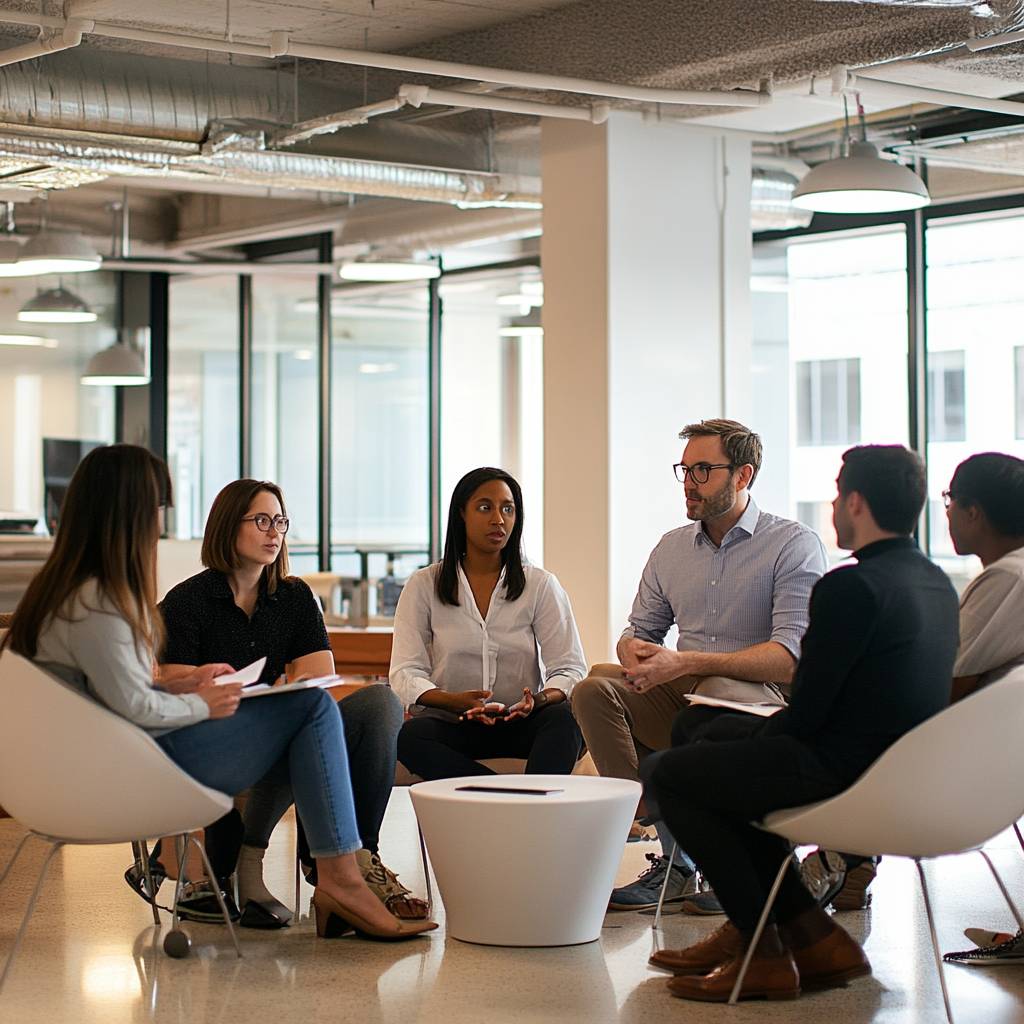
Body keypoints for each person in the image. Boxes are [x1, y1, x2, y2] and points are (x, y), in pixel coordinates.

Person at [3, 444, 436, 943]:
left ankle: (341, 869)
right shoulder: (107, 601)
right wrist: (200, 701)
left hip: (105, 762)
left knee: (334, 708)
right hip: (136, 766)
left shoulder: (70, 593)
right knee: (311, 709)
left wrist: (183, 682)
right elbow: (136, 708)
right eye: (153, 508)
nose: (157, 524)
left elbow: (114, 690)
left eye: (280, 522)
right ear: (125, 511)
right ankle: (339, 877)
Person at [645, 444, 958, 1002]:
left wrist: (749, 743)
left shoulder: (850, 587)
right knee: (704, 735)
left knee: (673, 773)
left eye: (838, 495)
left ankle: (763, 945)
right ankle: (812, 936)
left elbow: (808, 714)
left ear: (856, 503)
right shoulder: (934, 583)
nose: (834, 506)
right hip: (901, 768)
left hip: (841, 768)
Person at [571, 419, 827, 911]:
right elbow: (638, 630)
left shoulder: (791, 545)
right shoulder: (671, 549)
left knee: (716, 682)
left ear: (743, 476)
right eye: (685, 470)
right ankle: (661, 835)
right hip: (689, 698)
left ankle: (728, 864)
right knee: (594, 689)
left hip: (764, 706)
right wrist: (634, 652)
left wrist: (684, 661)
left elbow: (790, 658)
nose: (689, 482)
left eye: (703, 470)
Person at [154, 478, 422, 928]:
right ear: (226, 526)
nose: (273, 532)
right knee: (301, 723)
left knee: (380, 703)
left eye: (280, 521)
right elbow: (172, 687)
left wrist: (286, 691)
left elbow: (317, 678)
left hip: (285, 731)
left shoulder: (295, 598)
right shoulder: (186, 602)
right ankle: (313, 866)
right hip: (217, 742)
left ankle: (359, 856)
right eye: (261, 520)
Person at [392, 467, 585, 780]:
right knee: (410, 737)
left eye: (507, 509)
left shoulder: (540, 585)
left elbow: (570, 668)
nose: (498, 519)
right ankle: (505, 798)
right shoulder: (424, 585)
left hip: (521, 721)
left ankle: (527, 805)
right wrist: (451, 701)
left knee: (566, 722)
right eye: (485, 508)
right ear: (461, 515)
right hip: (454, 723)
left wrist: (537, 701)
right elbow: (405, 672)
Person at [939, 452, 1024, 968]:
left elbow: (950, 682)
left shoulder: (1006, 579)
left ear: (973, 512)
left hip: (995, 748)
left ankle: (838, 864)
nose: (945, 513)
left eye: (950, 502)